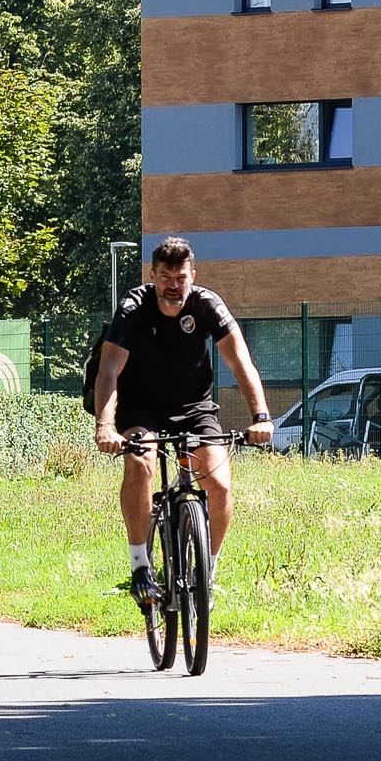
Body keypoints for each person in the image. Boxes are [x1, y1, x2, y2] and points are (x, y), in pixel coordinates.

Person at [90, 238, 273, 607]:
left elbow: (241, 364)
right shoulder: (133, 308)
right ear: (153, 276)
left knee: (219, 484)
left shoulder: (207, 305)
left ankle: (206, 573)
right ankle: (141, 564)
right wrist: (105, 426)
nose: (173, 285)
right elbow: (109, 371)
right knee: (141, 462)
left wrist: (261, 417)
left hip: (194, 405)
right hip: (141, 406)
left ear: (193, 276)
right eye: (165, 277)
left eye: (181, 277)